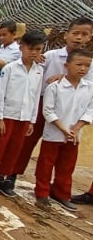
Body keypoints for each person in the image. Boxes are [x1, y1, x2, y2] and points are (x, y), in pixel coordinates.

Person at [12, 17, 93, 181]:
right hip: (42, 103)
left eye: (84, 34)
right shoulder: (50, 56)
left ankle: (56, 185)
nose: (78, 38)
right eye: (75, 33)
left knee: (62, 146)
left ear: (90, 37)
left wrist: (65, 76)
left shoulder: (88, 62)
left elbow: (88, 85)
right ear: (66, 35)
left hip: (68, 109)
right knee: (28, 140)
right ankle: (12, 173)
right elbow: (33, 73)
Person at [0, 31, 46, 197]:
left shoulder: (38, 71)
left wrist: (32, 121)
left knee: (14, 150)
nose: (34, 52)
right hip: (7, 115)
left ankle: (2, 178)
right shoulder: (10, 69)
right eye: (30, 48)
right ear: (21, 47)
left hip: (24, 117)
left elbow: (35, 97)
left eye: (38, 49)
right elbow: (0, 94)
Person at [33, 49, 93, 212]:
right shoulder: (55, 87)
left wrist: (76, 128)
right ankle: (42, 193)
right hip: (54, 133)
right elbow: (48, 111)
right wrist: (63, 128)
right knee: (46, 164)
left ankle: (61, 193)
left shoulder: (89, 87)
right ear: (67, 65)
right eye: (79, 64)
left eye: (87, 66)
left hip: (73, 135)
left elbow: (90, 110)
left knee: (67, 166)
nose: (83, 69)